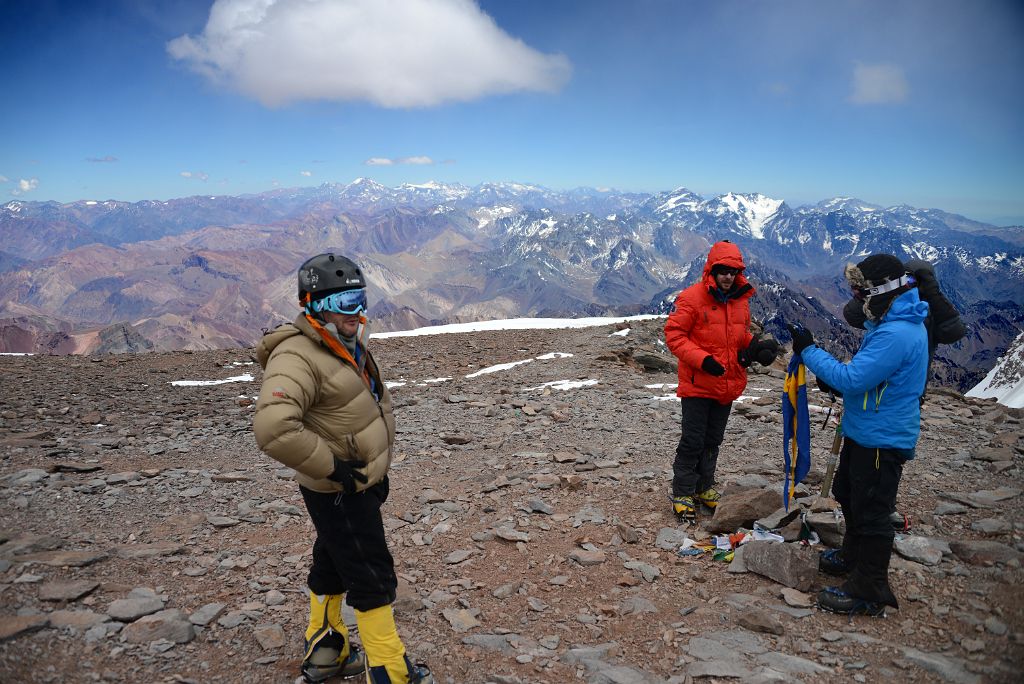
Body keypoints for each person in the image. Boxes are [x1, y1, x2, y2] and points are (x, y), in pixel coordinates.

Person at [253, 253, 433, 684]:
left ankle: (325, 652)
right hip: (340, 488)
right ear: (313, 305)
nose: (357, 312)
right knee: (371, 574)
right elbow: (272, 426)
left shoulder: (338, 342)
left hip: (353, 485)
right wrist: (334, 467)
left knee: (334, 560)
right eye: (346, 302)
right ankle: (389, 671)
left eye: (360, 299)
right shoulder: (298, 355)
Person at [788, 253, 929, 616]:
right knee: (848, 492)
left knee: (872, 509)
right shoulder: (890, 324)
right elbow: (870, 380)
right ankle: (853, 555)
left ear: (879, 290)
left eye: (859, 290)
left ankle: (870, 586)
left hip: (882, 437)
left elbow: (855, 378)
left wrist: (809, 352)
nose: (854, 297)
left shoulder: (897, 333)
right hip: (867, 428)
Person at [828, 258, 965, 531]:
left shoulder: (921, 310)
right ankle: (869, 522)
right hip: (879, 394)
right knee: (859, 479)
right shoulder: (890, 308)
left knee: (879, 468)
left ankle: (878, 518)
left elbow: (954, 331)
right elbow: (854, 314)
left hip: (902, 395)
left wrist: (932, 293)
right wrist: (878, 293)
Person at [664, 240, 778, 521]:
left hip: (726, 382)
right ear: (712, 270)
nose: (728, 276)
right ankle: (682, 492)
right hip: (698, 383)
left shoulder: (740, 302)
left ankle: (705, 487)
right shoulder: (691, 298)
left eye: (733, 271)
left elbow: (737, 337)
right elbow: (674, 336)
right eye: (723, 270)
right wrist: (703, 360)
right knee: (693, 439)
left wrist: (754, 347)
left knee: (713, 439)